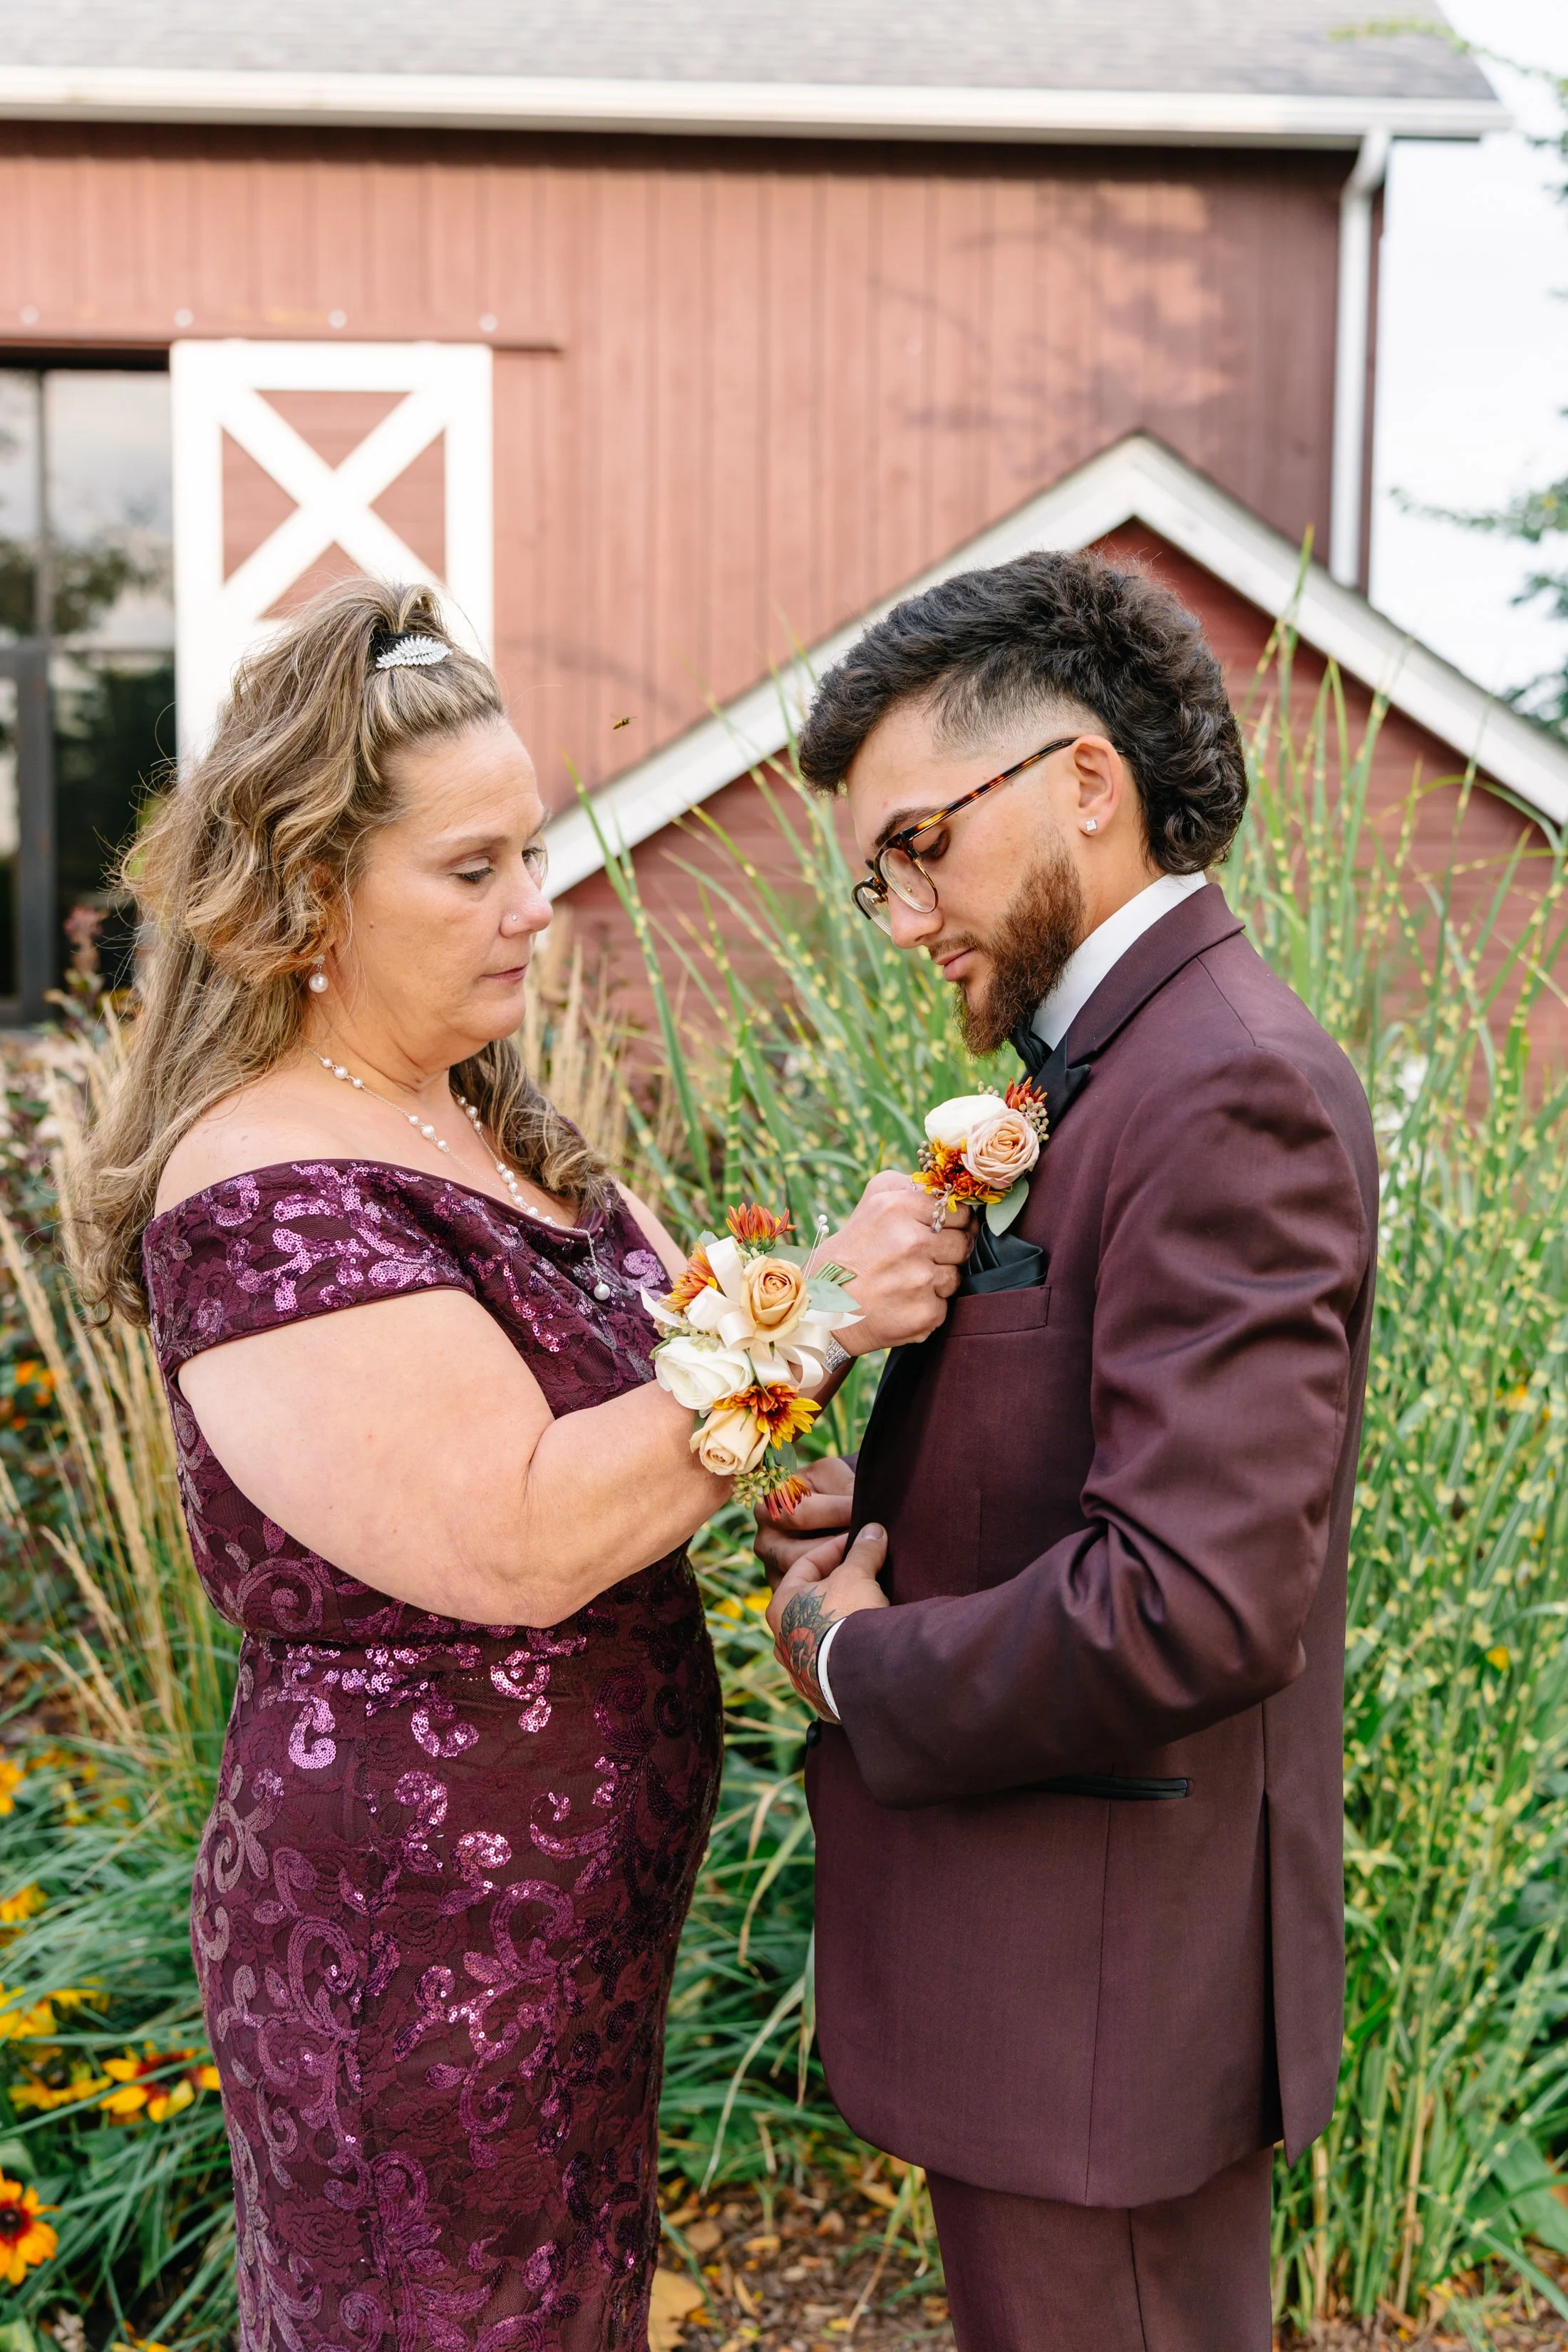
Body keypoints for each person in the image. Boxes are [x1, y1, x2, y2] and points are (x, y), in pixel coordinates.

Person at [68, 579, 969, 2352]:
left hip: (554, 1936)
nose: (532, 913)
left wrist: (766, 1472)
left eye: (533, 855)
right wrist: (818, 1326)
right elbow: (516, 1537)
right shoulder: (263, 1184)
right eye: (470, 871)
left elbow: (640, 1439)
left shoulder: (492, 1130)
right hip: (405, 1946)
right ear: (305, 895)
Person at [755, 551, 1378, 2352]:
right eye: (874, 878)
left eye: (916, 849)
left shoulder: (1221, 1082)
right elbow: (1077, 1455)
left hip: (1105, 2009)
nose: (898, 917)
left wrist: (853, 1660)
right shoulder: (1092, 1069)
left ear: (1081, 783)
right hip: (1053, 1987)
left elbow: (1189, 1600)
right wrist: (869, 1503)